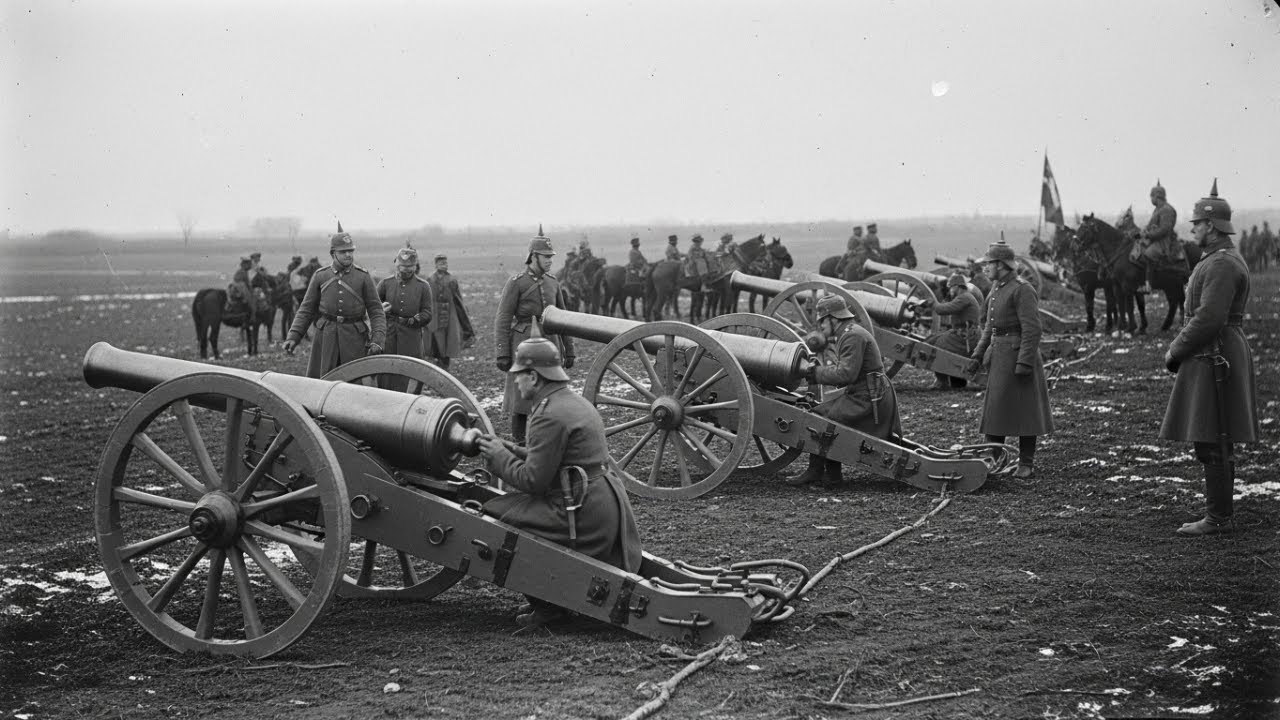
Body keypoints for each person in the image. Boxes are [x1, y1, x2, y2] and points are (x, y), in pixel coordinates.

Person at [476, 336, 642, 626]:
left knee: (496, 521)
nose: (515, 382)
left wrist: (498, 458)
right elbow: (557, 458)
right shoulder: (571, 402)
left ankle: (549, 609)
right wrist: (511, 449)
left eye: (518, 375)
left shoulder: (547, 414)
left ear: (534, 376)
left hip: (580, 512)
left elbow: (532, 481)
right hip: (601, 502)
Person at [1160, 181, 1259, 536]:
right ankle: (1219, 513)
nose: (1192, 229)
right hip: (1211, 351)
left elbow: (1207, 319)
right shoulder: (1216, 259)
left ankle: (1218, 517)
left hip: (1214, 352)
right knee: (1212, 434)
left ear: (1212, 226)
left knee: (1215, 435)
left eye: (1197, 224)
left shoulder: (1221, 264)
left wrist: (1175, 350)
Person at [786, 295, 901, 486]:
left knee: (822, 420)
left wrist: (816, 373)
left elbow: (846, 374)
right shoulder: (850, 332)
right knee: (820, 413)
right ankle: (829, 475)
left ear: (833, 318)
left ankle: (820, 473)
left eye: (822, 321)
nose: (821, 326)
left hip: (869, 398)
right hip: (866, 393)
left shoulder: (851, 335)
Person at [968, 240, 1053, 479]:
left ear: (1002, 265)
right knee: (996, 410)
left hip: (1018, 357)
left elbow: (1032, 329)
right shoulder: (996, 288)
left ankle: (1026, 463)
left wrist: (1025, 362)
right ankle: (991, 459)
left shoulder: (1021, 289)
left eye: (989, 264)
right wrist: (977, 354)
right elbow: (989, 328)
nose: (985, 268)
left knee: (1025, 412)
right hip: (999, 356)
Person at [495, 227, 576, 444]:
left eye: (551, 257)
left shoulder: (553, 282)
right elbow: (503, 319)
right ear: (533, 256)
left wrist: (570, 351)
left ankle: (549, 442)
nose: (550, 261)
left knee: (551, 394)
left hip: (551, 343)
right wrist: (503, 353)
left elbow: (563, 318)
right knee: (522, 400)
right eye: (546, 257)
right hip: (523, 345)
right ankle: (520, 443)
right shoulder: (516, 283)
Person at [284, 222, 387, 377]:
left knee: (354, 384)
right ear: (333, 254)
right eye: (343, 251)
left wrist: (377, 339)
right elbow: (306, 310)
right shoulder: (321, 276)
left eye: (350, 251)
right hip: (326, 337)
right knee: (323, 382)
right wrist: (294, 336)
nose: (348, 255)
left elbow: (376, 311)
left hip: (354, 338)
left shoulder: (363, 277)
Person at [922, 273, 982, 390]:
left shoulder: (964, 297)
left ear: (957, 287)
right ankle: (952, 381)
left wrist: (933, 303)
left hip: (965, 338)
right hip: (964, 334)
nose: (950, 291)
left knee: (936, 347)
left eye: (951, 288)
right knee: (932, 339)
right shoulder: (965, 297)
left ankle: (942, 382)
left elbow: (944, 309)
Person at [377, 245, 433, 361]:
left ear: (415, 266)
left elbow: (427, 313)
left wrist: (412, 321)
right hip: (389, 335)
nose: (406, 270)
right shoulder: (385, 284)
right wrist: (381, 310)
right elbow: (373, 308)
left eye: (410, 266)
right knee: (388, 367)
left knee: (411, 367)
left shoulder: (423, 286)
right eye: (403, 266)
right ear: (397, 265)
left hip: (412, 336)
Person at [427, 253, 475, 371]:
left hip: (449, 314)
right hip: (434, 315)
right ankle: (437, 364)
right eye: (442, 263)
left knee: (448, 340)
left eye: (446, 263)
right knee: (434, 340)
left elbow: (458, 300)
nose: (444, 265)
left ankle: (444, 365)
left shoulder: (452, 280)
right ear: (436, 265)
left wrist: (465, 320)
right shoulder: (430, 280)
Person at [1137, 181, 1179, 294]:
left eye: (1152, 196)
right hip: (1154, 239)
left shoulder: (1167, 210)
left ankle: (1148, 285)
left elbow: (1165, 229)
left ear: (1157, 196)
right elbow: (1151, 225)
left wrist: (1148, 235)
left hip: (1163, 241)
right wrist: (1143, 232)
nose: (1151, 199)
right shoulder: (1158, 209)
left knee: (1148, 254)